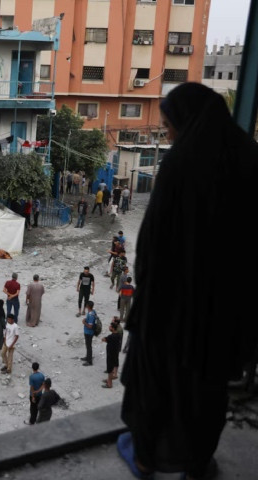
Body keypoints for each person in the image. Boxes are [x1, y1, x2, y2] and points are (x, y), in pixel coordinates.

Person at [119, 83, 258, 480]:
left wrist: (146, 293)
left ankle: (145, 458)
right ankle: (197, 463)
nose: (170, 135)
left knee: (155, 382)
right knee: (207, 390)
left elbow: (152, 242)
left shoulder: (180, 166)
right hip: (225, 311)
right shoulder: (249, 160)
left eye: (168, 128)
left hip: (169, 307)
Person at [102, 322, 120, 388]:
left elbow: (104, 339)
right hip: (115, 354)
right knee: (112, 367)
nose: (109, 327)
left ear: (113, 328)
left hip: (111, 354)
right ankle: (109, 379)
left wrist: (104, 339)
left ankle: (109, 384)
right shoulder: (118, 335)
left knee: (109, 369)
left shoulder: (111, 336)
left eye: (110, 327)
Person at [81, 300, 97, 366]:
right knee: (88, 345)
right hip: (90, 332)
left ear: (88, 306)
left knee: (88, 346)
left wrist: (84, 322)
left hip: (88, 332)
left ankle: (89, 361)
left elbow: (90, 326)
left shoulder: (90, 315)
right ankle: (87, 357)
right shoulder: (93, 312)